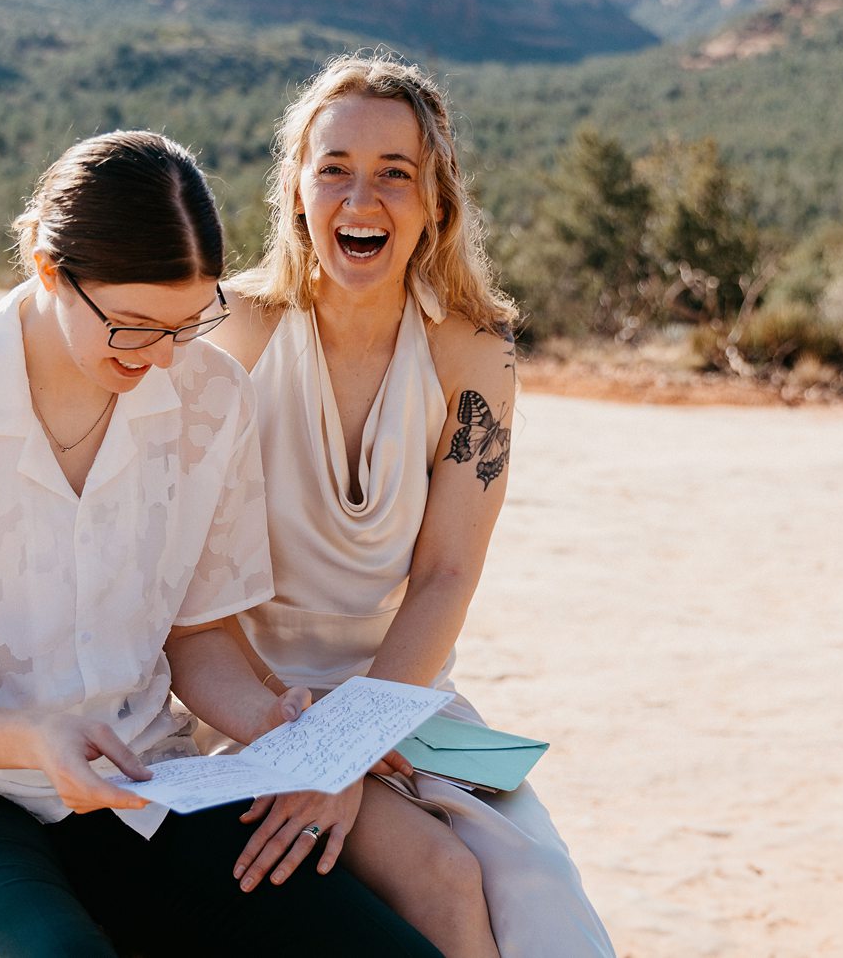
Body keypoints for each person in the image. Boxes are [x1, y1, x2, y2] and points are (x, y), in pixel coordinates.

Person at [0, 130, 440, 958]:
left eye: (190, 322)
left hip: (148, 780)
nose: (163, 357)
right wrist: (36, 738)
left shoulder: (211, 395)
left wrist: (279, 722)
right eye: (133, 326)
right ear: (46, 267)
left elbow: (197, 635)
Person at [205, 55, 617, 957]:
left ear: (438, 202)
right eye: (336, 169)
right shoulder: (229, 331)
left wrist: (357, 738)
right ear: (297, 190)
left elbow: (446, 573)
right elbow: (182, 578)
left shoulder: (475, 351)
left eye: (397, 174)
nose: (364, 198)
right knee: (443, 878)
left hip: (406, 690)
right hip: (245, 701)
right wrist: (312, 744)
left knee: (537, 888)